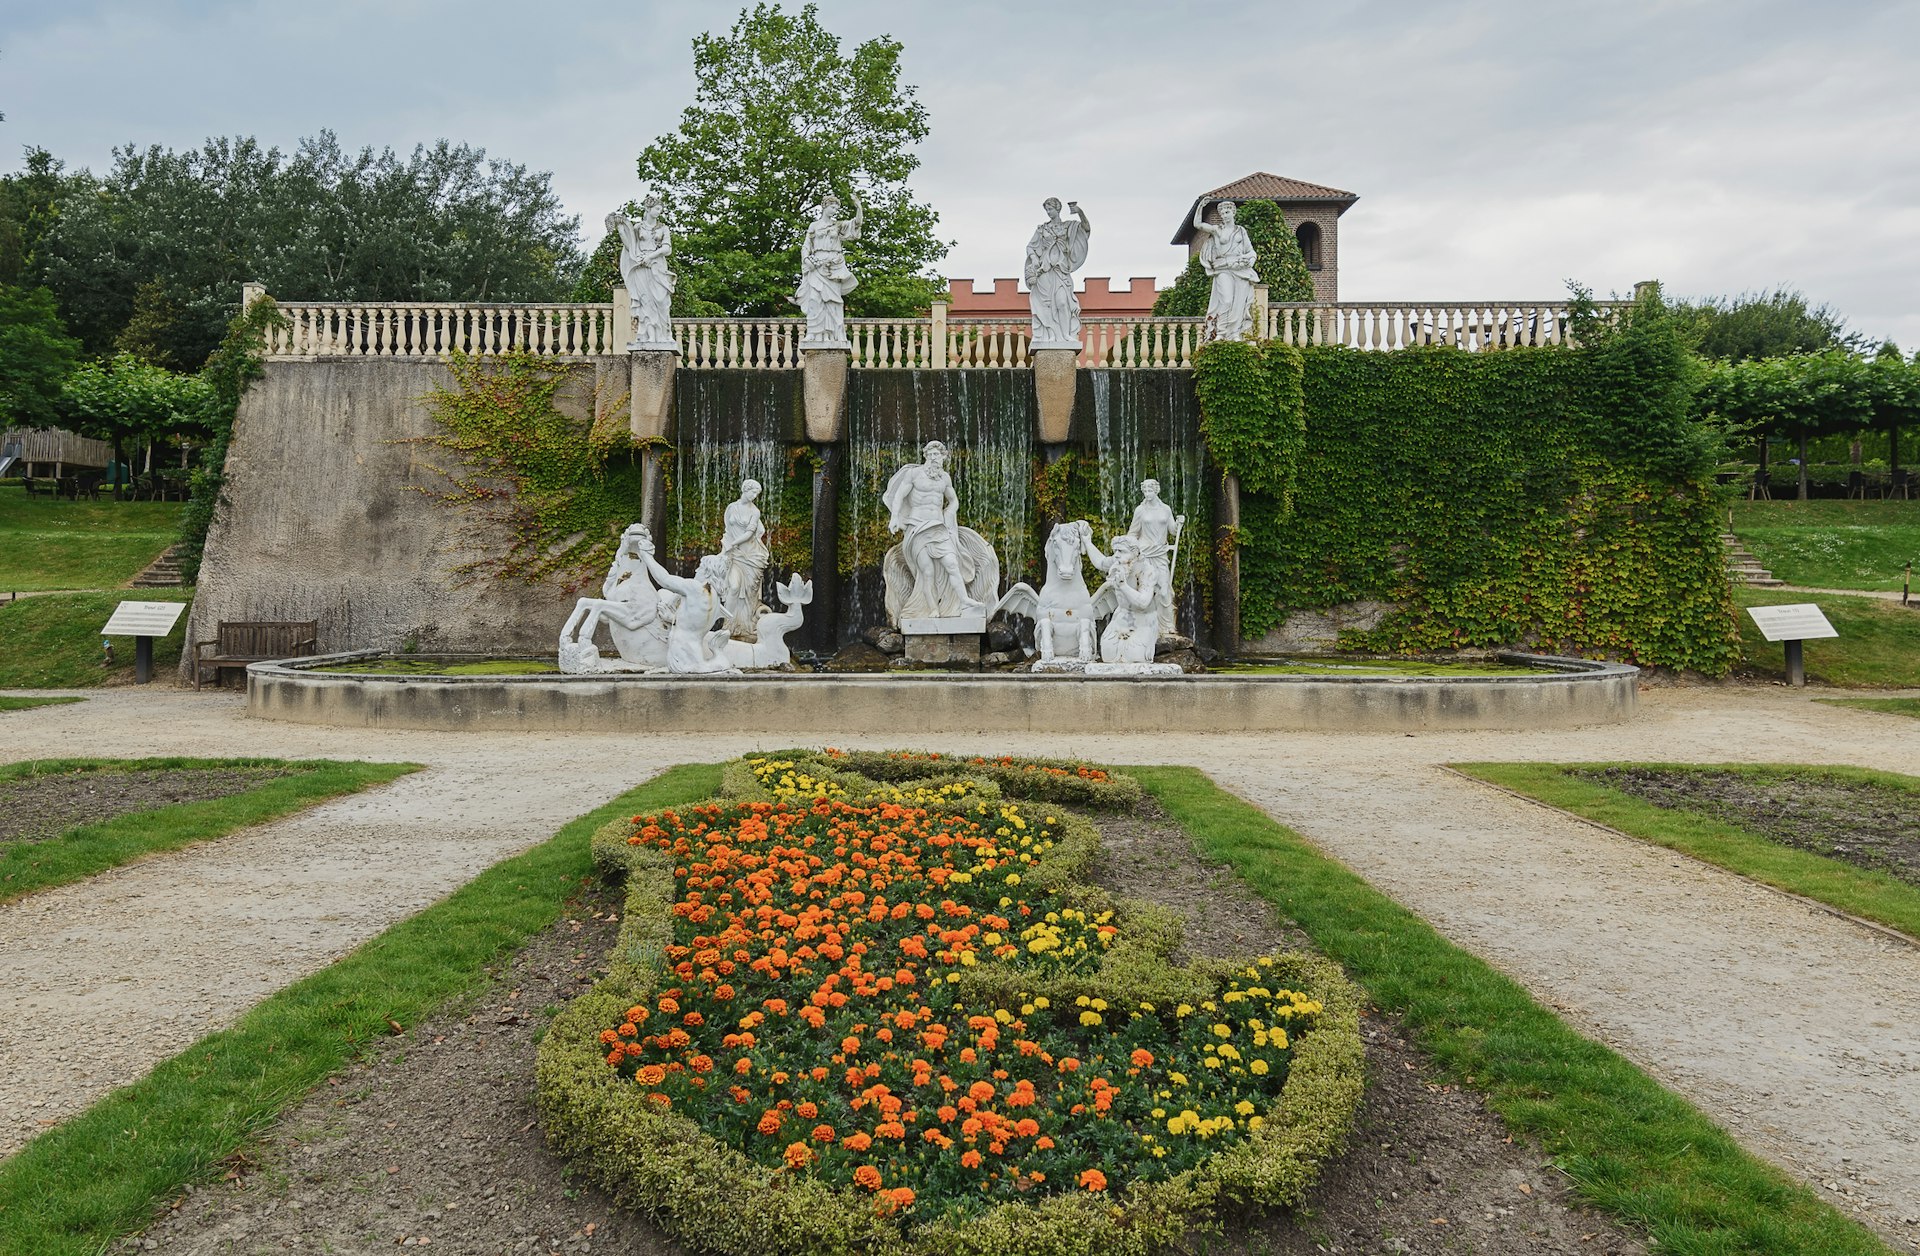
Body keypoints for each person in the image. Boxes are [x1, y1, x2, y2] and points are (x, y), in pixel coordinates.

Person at [882, 440, 994, 620]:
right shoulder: (914, 474)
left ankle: (964, 600)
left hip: (938, 528)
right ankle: (932, 609)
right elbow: (900, 496)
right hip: (917, 527)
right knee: (927, 572)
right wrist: (895, 517)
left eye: (938, 455)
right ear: (925, 456)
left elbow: (953, 499)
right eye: (931, 455)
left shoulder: (945, 478)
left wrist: (951, 511)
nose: (934, 458)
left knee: (952, 565)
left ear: (943, 457)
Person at [794, 191, 863, 345]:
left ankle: (835, 334)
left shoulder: (837, 226)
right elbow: (806, 246)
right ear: (825, 207)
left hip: (833, 266)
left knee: (833, 301)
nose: (834, 211)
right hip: (817, 265)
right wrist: (807, 259)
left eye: (836, 209)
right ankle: (813, 332)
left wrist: (859, 207)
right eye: (832, 207)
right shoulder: (814, 226)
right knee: (814, 299)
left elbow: (856, 224)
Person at [610, 195, 676, 348]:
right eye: (657, 209)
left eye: (660, 209)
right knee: (645, 300)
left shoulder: (663, 228)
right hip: (641, 266)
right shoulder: (638, 227)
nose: (659, 212)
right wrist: (621, 231)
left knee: (661, 300)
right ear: (648, 209)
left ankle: (664, 335)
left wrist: (651, 256)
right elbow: (630, 247)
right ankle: (648, 335)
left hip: (657, 265)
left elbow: (667, 249)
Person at [1025, 198, 1091, 346]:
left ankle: (1065, 335)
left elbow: (1086, 229)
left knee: (1062, 303)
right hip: (1045, 272)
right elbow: (1030, 247)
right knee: (1046, 306)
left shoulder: (1068, 226)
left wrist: (1080, 212)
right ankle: (1050, 334)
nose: (1048, 212)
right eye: (1046, 210)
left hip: (1061, 271)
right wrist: (1034, 258)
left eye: (1050, 209)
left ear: (1058, 209)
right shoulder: (1042, 229)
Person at [1191, 199, 1258, 342]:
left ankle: (1234, 333)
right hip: (1223, 268)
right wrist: (1201, 206)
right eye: (1222, 213)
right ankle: (1221, 332)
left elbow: (1251, 251)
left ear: (1233, 212)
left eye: (1227, 212)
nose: (1224, 215)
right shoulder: (1217, 230)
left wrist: (1250, 261)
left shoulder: (1241, 231)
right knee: (1226, 301)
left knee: (1239, 302)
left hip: (1240, 269)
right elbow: (1197, 224)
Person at [1125, 480, 1185, 635]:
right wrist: (1130, 548)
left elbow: (1172, 530)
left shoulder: (1165, 509)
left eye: (1150, 489)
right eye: (1145, 490)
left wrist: (1178, 524)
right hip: (1144, 554)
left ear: (1157, 490)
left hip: (1160, 554)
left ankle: (1166, 626)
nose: (1147, 492)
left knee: (1164, 590)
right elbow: (1133, 532)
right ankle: (1142, 625)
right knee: (1144, 590)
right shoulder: (1140, 510)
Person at [717, 478, 769, 640]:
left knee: (748, 593)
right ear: (745, 489)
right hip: (734, 555)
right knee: (733, 587)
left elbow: (749, 533)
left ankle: (746, 627)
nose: (754, 496)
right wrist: (727, 546)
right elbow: (727, 527)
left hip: (751, 555)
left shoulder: (755, 511)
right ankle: (728, 625)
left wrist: (734, 543)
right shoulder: (732, 507)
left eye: (757, 494)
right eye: (753, 492)